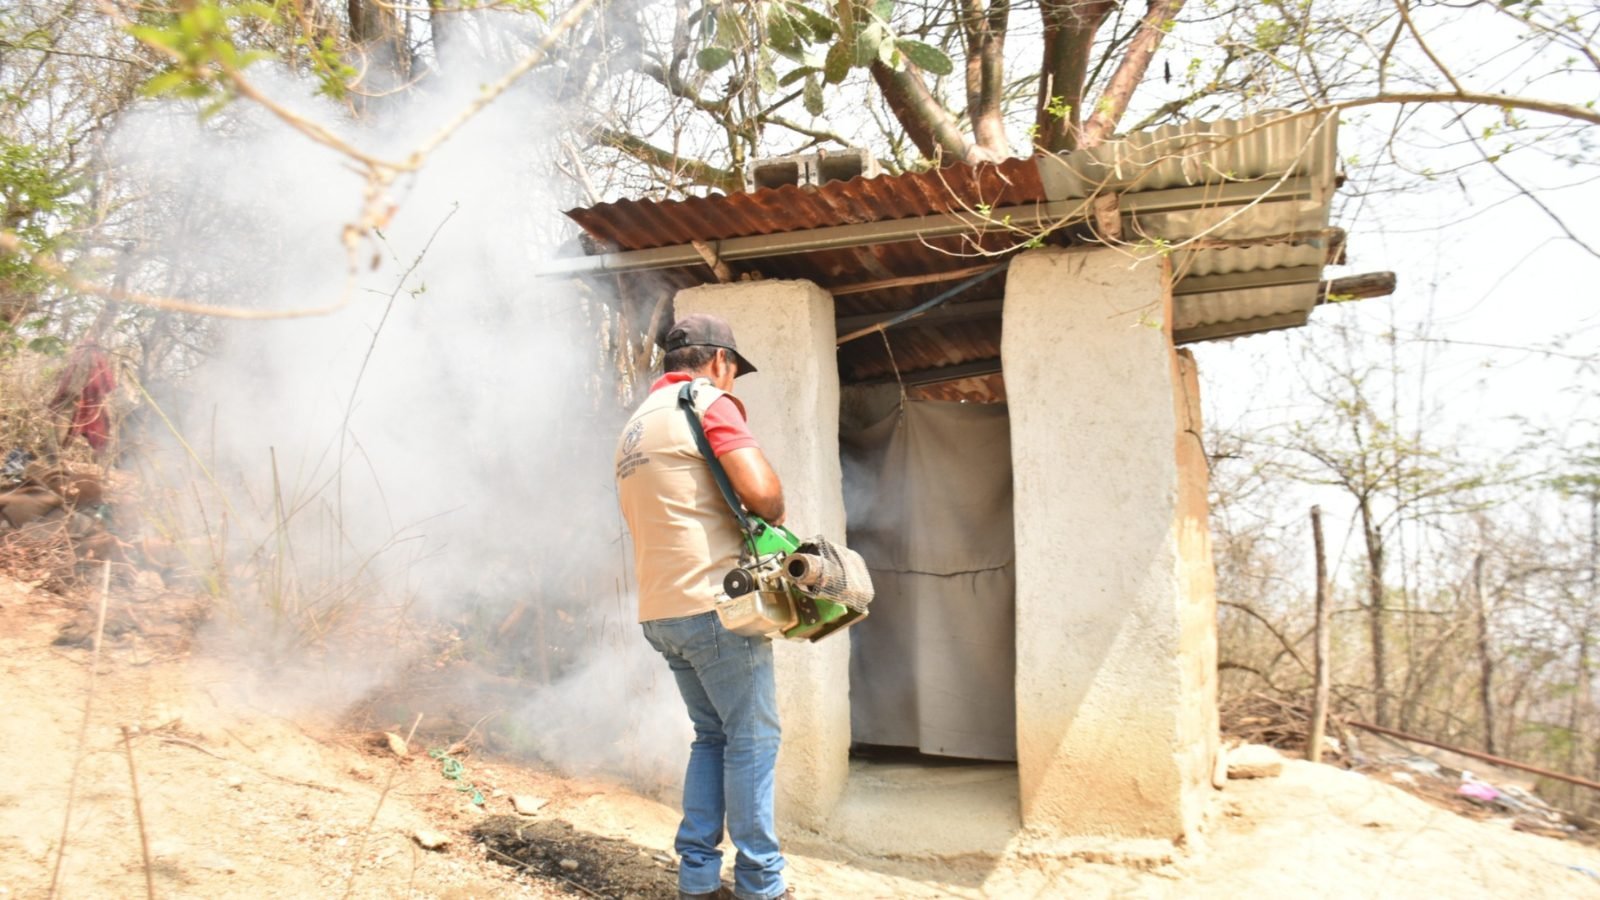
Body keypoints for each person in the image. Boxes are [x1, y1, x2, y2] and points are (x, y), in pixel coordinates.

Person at [614, 314, 792, 900]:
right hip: (715, 607)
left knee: (712, 738)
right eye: (735, 370)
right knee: (753, 739)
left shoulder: (634, 426)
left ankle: (696, 880)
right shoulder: (709, 401)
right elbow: (765, 497)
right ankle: (761, 886)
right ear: (719, 361)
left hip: (660, 610)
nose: (734, 381)